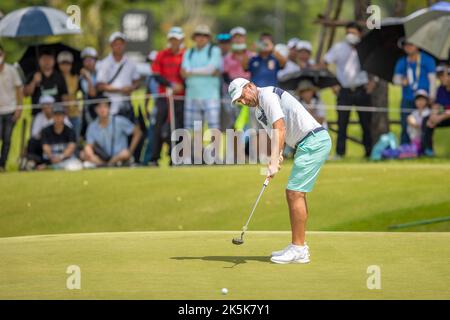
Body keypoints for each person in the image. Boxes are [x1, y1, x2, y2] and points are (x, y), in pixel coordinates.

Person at [228, 78, 331, 264]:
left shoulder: (267, 96)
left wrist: (275, 159)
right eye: (239, 102)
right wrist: (278, 155)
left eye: (242, 97)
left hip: (314, 141)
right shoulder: (259, 112)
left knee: (294, 193)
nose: (243, 102)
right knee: (295, 193)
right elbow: (277, 136)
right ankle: (299, 247)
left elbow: (280, 127)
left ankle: (298, 249)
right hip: (304, 144)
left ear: (250, 86)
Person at [322, 22, 374, 158]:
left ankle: (369, 153)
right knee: (342, 123)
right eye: (348, 33)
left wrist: (372, 82)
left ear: (360, 34)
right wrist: (333, 83)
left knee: (366, 123)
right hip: (344, 91)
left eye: (353, 33)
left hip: (362, 90)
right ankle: (340, 153)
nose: (350, 36)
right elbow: (324, 64)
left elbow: (374, 66)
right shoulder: (338, 48)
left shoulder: (366, 48)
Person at [181, 24, 222, 163]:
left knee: (213, 128)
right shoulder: (189, 52)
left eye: (204, 35)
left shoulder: (214, 50)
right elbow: (184, 71)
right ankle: (195, 157)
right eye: (199, 35)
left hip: (211, 96)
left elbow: (211, 69)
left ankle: (215, 157)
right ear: (195, 37)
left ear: (208, 38)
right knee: (192, 129)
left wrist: (192, 71)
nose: (201, 38)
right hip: (192, 95)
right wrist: (202, 71)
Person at [148, 26, 185, 166]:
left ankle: (175, 158)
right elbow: (156, 75)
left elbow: (186, 75)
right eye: (172, 39)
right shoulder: (161, 54)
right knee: (158, 126)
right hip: (163, 96)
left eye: (176, 39)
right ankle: (154, 158)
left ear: (181, 40)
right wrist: (171, 85)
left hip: (180, 98)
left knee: (178, 127)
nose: (174, 42)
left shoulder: (185, 55)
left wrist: (180, 86)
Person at [393, 39, 436, 144]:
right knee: (406, 124)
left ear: (417, 45)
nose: (408, 47)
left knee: (426, 125)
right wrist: (402, 81)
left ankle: (425, 149)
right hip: (408, 98)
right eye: (406, 45)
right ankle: (405, 149)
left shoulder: (427, 60)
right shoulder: (403, 61)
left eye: (411, 44)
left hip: (424, 98)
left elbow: (432, 80)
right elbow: (395, 79)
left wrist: (432, 97)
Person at [82, 97, 142, 167]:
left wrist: (130, 151)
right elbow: (89, 145)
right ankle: (105, 164)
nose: (102, 110)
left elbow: (138, 132)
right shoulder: (92, 126)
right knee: (83, 154)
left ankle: (108, 164)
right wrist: (90, 153)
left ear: (109, 108)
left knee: (125, 153)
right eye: (99, 107)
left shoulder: (119, 121)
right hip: (101, 157)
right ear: (95, 109)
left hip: (119, 156)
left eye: (105, 106)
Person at [97, 32, 141, 120]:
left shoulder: (130, 62)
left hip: (126, 105)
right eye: (116, 44)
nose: (119, 46)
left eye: (121, 44)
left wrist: (131, 88)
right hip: (109, 106)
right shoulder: (104, 63)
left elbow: (137, 82)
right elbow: (100, 86)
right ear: (111, 45)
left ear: (124, 45)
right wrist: (120, 89)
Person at [26, 96, 72, 170]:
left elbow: (69, 130)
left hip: (60, 142)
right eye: (44, 105)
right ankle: (34, 163)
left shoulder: (62, 117)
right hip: (45, 142)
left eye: (49, 104)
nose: (47, 107)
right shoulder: (39, 117)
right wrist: (47, 132)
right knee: (32, 142)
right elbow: (35, 134)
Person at [24, 49, 68, 117]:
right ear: (39, 61)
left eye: (49, 59)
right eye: (44, 59)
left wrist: (65, 110)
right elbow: (26, 93)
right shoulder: (33, 75)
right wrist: (34, 82)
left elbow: (64, 95)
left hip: (56, 115)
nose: (47, 62)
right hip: (38, 114)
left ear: (54, 61)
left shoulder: (59, 76)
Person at [0, 45, 23, 171]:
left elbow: (19, 88)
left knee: (7, 139)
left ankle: (2, 165)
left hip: (10, 110)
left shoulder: (11, 70)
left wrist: (19, 108)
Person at [421, 66, 450, 156]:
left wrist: (440, 117)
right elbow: (437, 105)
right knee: (426, 120)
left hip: (445, 116)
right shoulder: (440, 89)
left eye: (443, 75)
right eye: (439, 76)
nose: (441, 78)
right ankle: (428, 150)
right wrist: (433, 116)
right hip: (443, 116)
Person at [40, 105, 79, 170]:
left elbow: (71, 147)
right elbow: (45, 147)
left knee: (73, 166)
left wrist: (61, 157)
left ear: (64, 117)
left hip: (66, 160)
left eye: (60, 115)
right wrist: (52, 157)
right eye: (55, 115)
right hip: (50, 160)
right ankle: (49, 167)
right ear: (53, 116)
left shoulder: (70, 131)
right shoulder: (46, 130)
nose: (58, 117)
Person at [57, 51, 80, 140]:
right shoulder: (56, 77)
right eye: (63, 63)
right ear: (59, 65)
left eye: (68, 63)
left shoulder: (76, 78)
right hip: (60, 115)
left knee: (75, 138)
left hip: (74, 113)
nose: (65, 66)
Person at [79, 47, 99, 139]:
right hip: (88, 111)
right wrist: (87, 78)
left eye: (91, 60)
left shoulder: (100, 73)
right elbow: (90, 93)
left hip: (100, 109)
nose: (89, 62)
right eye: (86, 60)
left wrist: (89, 78)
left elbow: (93, 93)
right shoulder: (82, 77)